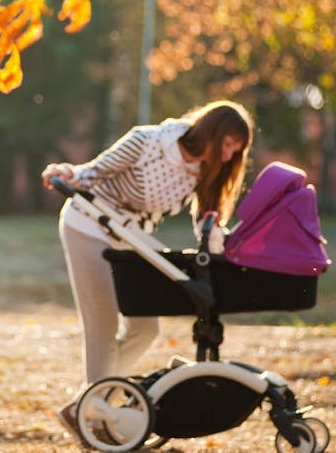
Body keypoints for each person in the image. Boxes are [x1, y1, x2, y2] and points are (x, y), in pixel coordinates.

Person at [40, 100, 254, 443]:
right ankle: (92, 424)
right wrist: (66, 173)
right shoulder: (149, 142)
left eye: (236, 151)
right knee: (103, 328)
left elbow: (207, 222)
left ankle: (86, 405)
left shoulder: (204, 171)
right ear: (212, 133)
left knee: (145, 327)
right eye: (228, 145)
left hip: (132, 238)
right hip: (89, 226)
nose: (229, 156)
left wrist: (223, 246)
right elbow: (92, 172)